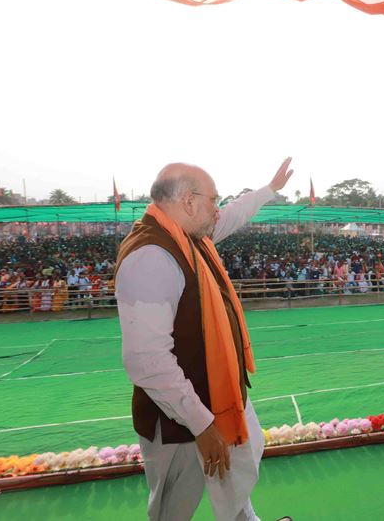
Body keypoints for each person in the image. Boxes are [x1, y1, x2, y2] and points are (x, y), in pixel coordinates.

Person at [115, 158, 294, 521]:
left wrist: (269, 190)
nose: (218, 210)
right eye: (214, 200)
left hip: (215, 397)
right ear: (189, 202)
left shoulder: (186, 235)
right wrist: (203, 424)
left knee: (234, 486)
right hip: (180, 419)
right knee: (172, 508)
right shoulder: (152, 255)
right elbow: (147, 360)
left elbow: (230, 217)